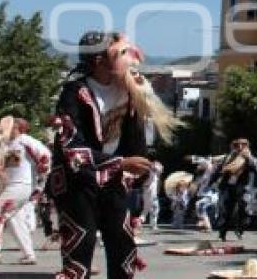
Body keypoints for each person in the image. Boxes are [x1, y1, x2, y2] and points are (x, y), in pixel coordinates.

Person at [47, 31, 181, 279]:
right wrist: (120, 162)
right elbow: (71, 147)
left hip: (115, 182)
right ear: (99, 60)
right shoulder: (74, 93)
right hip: (78, 183)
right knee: (80, 248)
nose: (129, 58)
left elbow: (135, 136)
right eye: (120, 53)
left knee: (123, 247)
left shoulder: (129, 90)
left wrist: (139, 168)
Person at [0, 115, 52, 265]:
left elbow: (45, 154)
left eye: (10, 126)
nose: (6, 129)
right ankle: (29, 254)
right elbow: (6, 167)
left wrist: (42, 178)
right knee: (15, 220)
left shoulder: (25, 140)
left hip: (20, 186)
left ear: (17, 128)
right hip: (14, 186)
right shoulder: (10, 144)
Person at [214, 138, 257, 242]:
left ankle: (240, 230)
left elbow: (254, 169)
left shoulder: (249, 158)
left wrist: (249, 158)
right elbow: (219, 170)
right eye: (237, 145)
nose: (240, 147)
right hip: (228, 186)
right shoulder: (228, 157)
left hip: (241, 187)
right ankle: (222, 234)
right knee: (226, 210)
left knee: (243, 209)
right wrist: (214, 182)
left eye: (243, 145)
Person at [141, 161, 163, 230]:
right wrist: (154, 166)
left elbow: (158, 171)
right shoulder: (150, 175)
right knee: (146, 210)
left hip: (153, 195)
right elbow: (154, 169)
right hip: (149, 195)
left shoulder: (155, 177)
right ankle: (138, 222)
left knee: (155, 210)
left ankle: (153, 224)